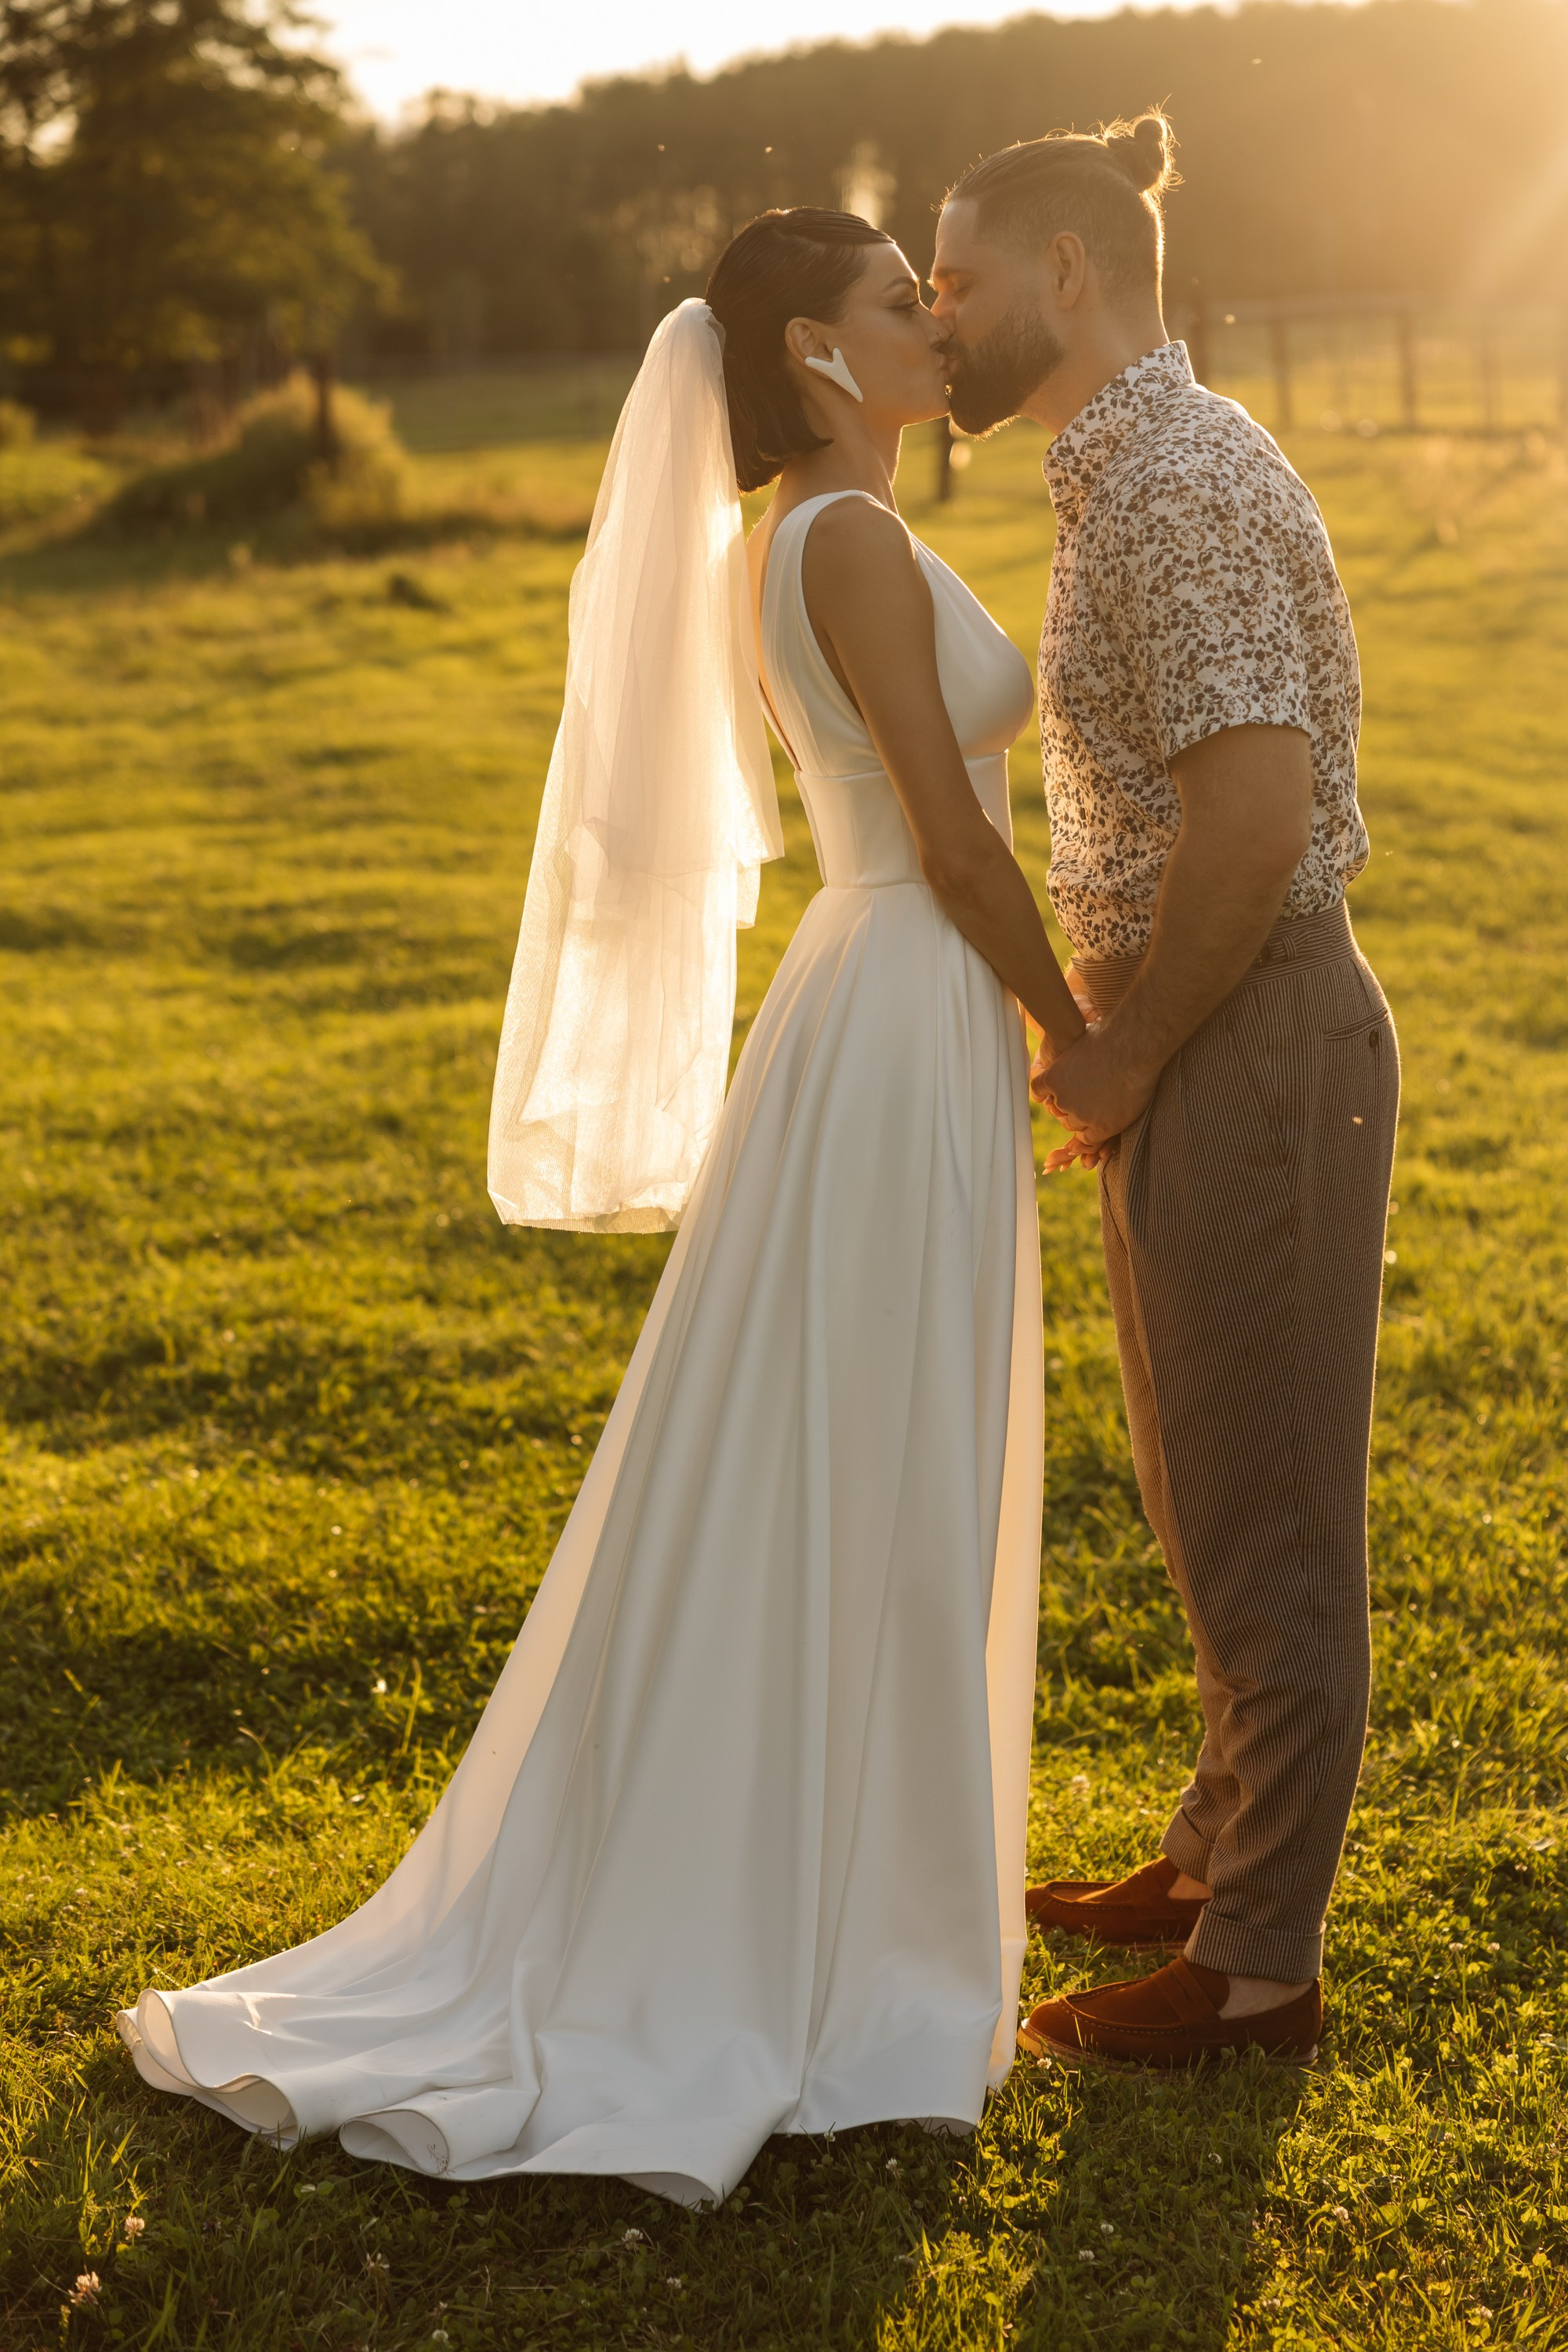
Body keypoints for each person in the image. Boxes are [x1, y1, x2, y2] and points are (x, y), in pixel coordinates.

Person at [117, 209, 1091, 2206]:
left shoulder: (800, 542)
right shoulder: (848, 541)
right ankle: (819, 1941)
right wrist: (1087, 1038)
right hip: (908, 996)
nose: (938, 324)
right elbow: (955, 849)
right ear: (817, 356)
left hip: (873, 1008)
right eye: (905, 307)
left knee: (861, 1463)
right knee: (871, 1466)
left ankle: (844, 1899)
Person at [931, 111, 1398, 2067]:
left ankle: (1257, 1975)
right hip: (1201, 1038)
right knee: (1210, 1491)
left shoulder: (1172, 483)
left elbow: (1255, 810)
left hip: (1248, 1031)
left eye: (952, 282)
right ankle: (1215, 1850)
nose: (935, 317)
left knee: (1272, 1521)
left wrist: (1121, 1043)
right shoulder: (1113, 471)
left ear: (1063, 272)